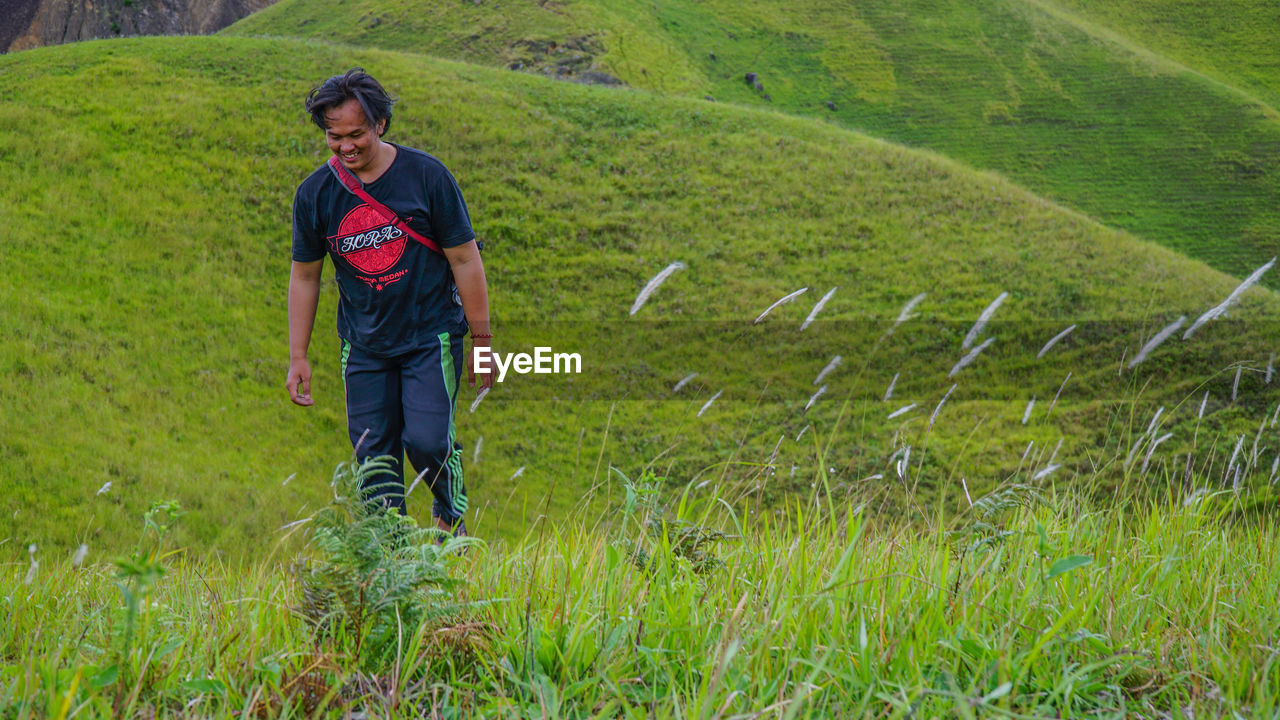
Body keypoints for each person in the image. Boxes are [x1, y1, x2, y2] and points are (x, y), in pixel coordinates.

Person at [285, 68, 493, 536]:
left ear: (380, 124)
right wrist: (298, 356)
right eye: (334, 137)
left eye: (356, 133)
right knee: (373, 462)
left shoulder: (427, 176)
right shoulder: (315, 194)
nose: (346, 146)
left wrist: (482, 341)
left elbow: (464, 259)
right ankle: (391, 559)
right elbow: (305, 276)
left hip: (430, 336)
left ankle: (449, 511)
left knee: (427, 442)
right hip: (363, 346)